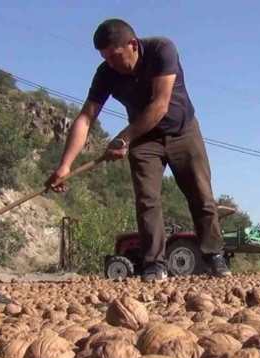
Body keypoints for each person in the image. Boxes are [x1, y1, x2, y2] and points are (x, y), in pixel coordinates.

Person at [45, 18, 231, 282]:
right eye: (105, 58)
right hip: (144, 141)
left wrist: (122, 139)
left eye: (115, 56)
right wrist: (65, 165)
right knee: (147, 201)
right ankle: (155, 263)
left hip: (183, 132)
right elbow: (86, 117)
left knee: (201, 196)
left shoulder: (162, 50)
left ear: (133, 44)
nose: (111, 63)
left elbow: (159, 106)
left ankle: (214, 256)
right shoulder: (106, 73)